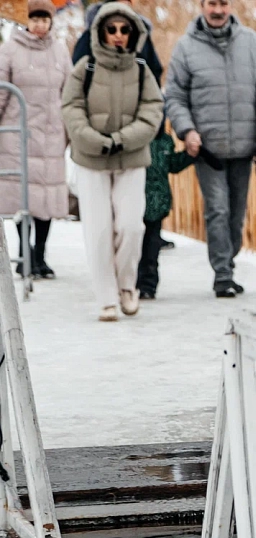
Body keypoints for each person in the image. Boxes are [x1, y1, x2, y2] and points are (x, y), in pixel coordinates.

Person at [164, 0, 256, 298]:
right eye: (211, 3)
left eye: (223, 3)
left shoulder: (252, 43)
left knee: (236, 214)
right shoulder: (185, 47)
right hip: (207, 149)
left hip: (244, 146)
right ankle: (222, 274)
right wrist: (187, 130)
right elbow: (175, 96)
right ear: (202, 6)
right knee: (217, 209)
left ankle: (227, 262)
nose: (217, 10)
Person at [62, 3, 163, 321]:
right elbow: (71, 107)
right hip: (91, 160)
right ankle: (106, 298)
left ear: (134, 34)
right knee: (99, 230)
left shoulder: (142, 70)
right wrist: (95, 140)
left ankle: (126, 286)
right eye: (112, 29)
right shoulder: (85, 67)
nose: (118, 35)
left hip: (131, 158)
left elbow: (152, 111)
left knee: (132, 227)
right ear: (100, 32)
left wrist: (122, 139)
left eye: (124, 29)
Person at [0, 0, 72, 279]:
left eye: (45, 19)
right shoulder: (10, 49)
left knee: (47, 200)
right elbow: (2, 92)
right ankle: (25, 253)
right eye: (35, 19)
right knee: (23, 199)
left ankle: (41, 255)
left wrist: (68, 129)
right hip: (19, 135)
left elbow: (68, 91)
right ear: (27, 20)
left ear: (51, 22)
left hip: (52, 135)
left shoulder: (59, 50)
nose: (40, 24)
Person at [136, 130, 195, 300]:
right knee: (132, 244)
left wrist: (190, 155)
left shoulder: (164, 140)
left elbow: (173, 165)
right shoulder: (135, 137)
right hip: (133, 199)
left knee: (151, 248)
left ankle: (148, 286)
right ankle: (129, 282)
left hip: (157, 202)